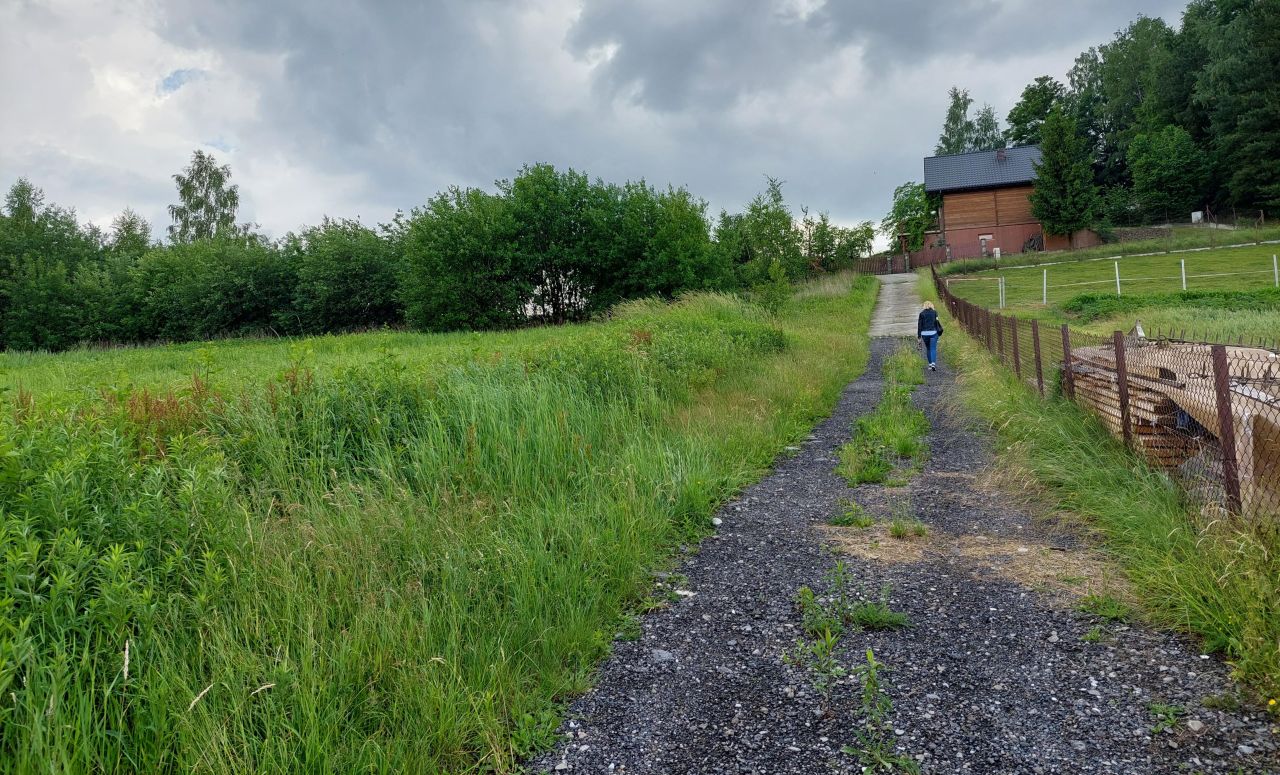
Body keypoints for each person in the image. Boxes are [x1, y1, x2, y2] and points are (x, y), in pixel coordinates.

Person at [917, 301, 942, 371]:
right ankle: (933, 363)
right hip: (933, 333)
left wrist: (919, 336)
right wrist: (939, 331)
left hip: (924, 334)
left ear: (924, 306)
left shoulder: (921, 314)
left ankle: (930, 364)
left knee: (928, 348)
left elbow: (919, 325)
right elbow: (937, 323)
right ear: (931, 305)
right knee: (933, 348)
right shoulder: (935, 312)